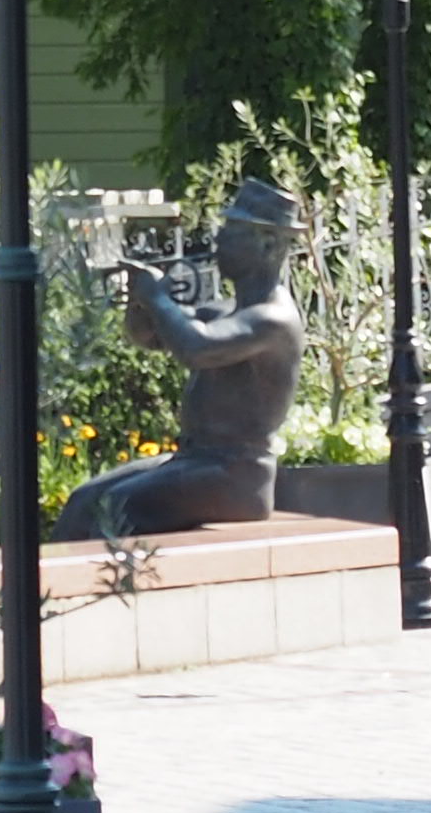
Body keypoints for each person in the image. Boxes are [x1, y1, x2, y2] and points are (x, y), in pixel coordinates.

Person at [53, 172, 304, 539]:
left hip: (238, 476)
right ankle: (51, 596)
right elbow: (150, 338)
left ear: (267, 244)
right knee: (83, 501)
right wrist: (142, 304)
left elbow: (196, 349)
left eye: (233, 230)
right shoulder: (226, 312)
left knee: (113, 511)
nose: (219, 238)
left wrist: (157, 299)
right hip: (198, 461)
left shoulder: (274, 320)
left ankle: (102, 592)